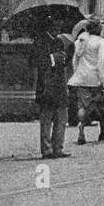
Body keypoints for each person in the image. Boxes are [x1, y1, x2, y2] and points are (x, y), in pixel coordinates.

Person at [32, 14, 73, 159]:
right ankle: (47, 149)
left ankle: (58, 148)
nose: (58, 28)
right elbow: (38, 62)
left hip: (59, 85)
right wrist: (52, 59)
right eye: (56, 25)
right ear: (50, 25)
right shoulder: (40, 42)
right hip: (47, 86)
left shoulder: (60, 41)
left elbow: (65, 61)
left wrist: (63, 59)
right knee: (47, 120)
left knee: (61, 119)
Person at [68, 18, 104, 144]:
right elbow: (101, 63)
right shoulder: (101, 42)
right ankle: (102, 131)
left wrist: (77, 73)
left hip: (82, 77)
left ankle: (81, 131)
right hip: (96, 78)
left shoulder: (80, 41)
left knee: (83, 105)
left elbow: (75, 60)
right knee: (102, 105)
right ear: (99, 29)